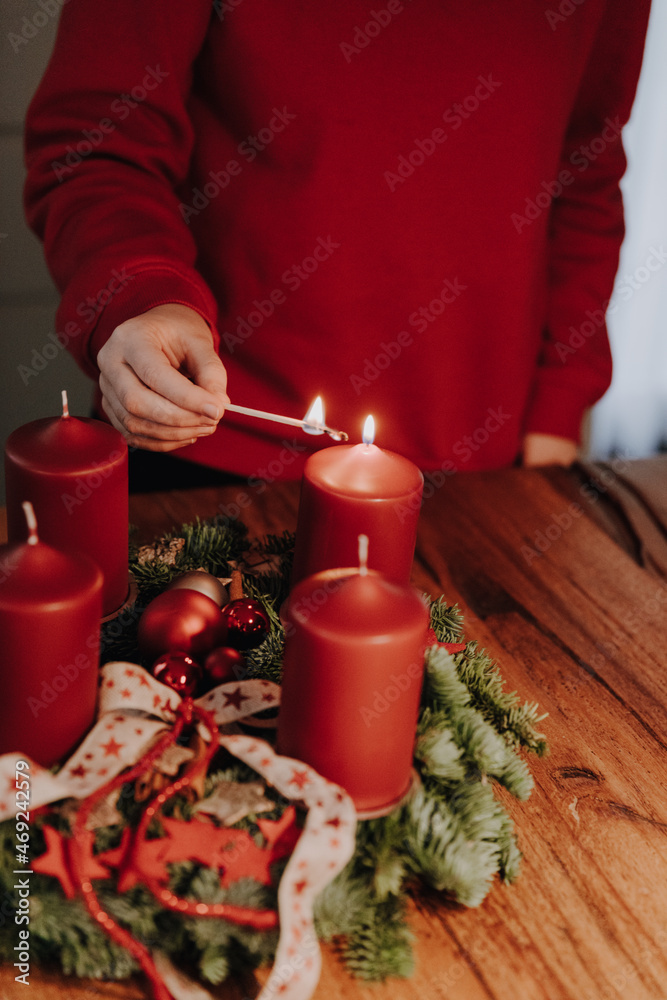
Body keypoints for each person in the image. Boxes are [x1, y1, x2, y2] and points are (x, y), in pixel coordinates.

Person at [24, 0, 651, 486]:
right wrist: (143, 295)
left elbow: (586, 168)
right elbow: (98, 142)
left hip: (492, 475)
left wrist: (558, 408)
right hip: (206, 450)